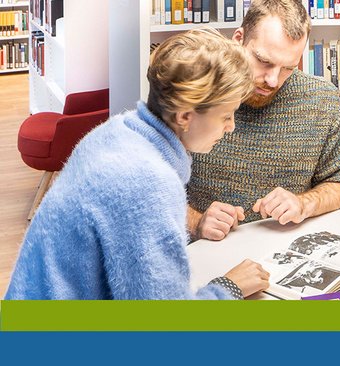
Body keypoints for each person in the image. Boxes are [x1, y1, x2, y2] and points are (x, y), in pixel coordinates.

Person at [5, 29, 269, 300]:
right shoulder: (147, 181)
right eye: (226, 116)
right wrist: (229, 288)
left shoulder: (116, 132)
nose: (231, 127)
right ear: (185, 117)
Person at [186, 0, 340, 241]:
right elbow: (150, 189)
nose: (272, 80)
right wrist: (196, 221)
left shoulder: (322, 99)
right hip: (203, 251)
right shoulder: (192, 91)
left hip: (285, 254)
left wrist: (304, 203)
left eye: (288, 68)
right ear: (238, 39)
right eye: (264, 61)